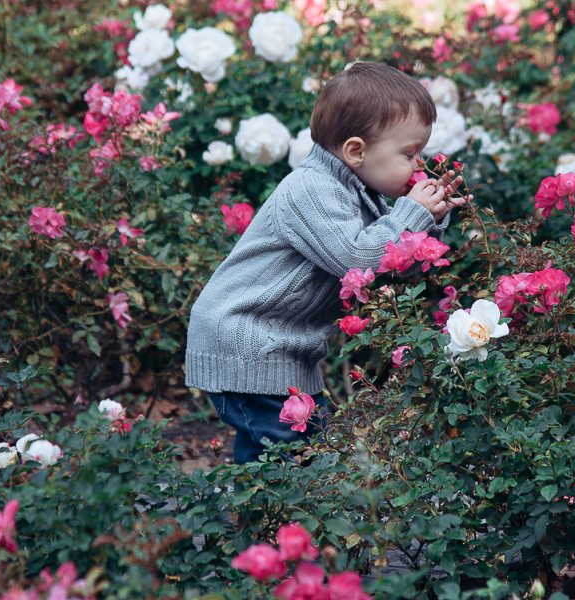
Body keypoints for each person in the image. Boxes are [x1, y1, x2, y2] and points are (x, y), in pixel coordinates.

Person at [185, 62, 470, 464]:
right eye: (409, 153)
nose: (420, 165)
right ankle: (271, 525)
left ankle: (257, 523)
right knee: (291, 457)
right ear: (356, 151)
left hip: (282, 352)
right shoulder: (311, 188)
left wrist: (432, 220)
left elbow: (390, 268)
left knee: (296, 453)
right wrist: (410, 215)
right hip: (245, 342)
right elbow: (357, 259)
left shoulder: (358, 191)